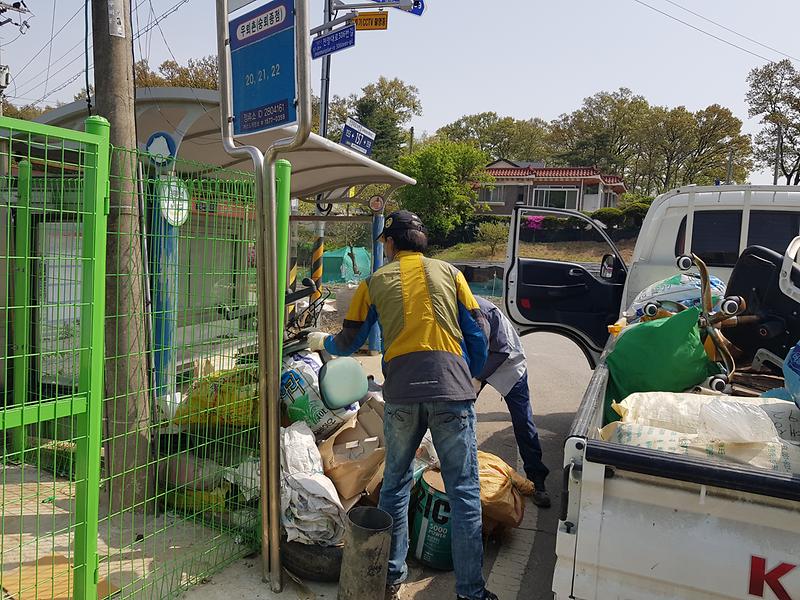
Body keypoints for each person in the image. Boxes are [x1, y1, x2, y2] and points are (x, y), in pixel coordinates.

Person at [308, 210, 497, 600]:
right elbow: (478, 332)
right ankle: (471, 592)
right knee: (463, 491)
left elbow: (346, 342)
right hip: (453, 392)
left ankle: (391, 578)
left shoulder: (374, 282)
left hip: (402, 395)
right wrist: (469, 376)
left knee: (394, 486)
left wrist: (319, 343)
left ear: (391, 244)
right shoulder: (452, 274)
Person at [473, 295, 551, 508]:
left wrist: (477, 378)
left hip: (508, 365)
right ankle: (458, 466)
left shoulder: (481, 310)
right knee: (459, 411)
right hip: (478, 363)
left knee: (522, 422)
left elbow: (500, 350)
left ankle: (537, 480)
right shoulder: (447, 307)